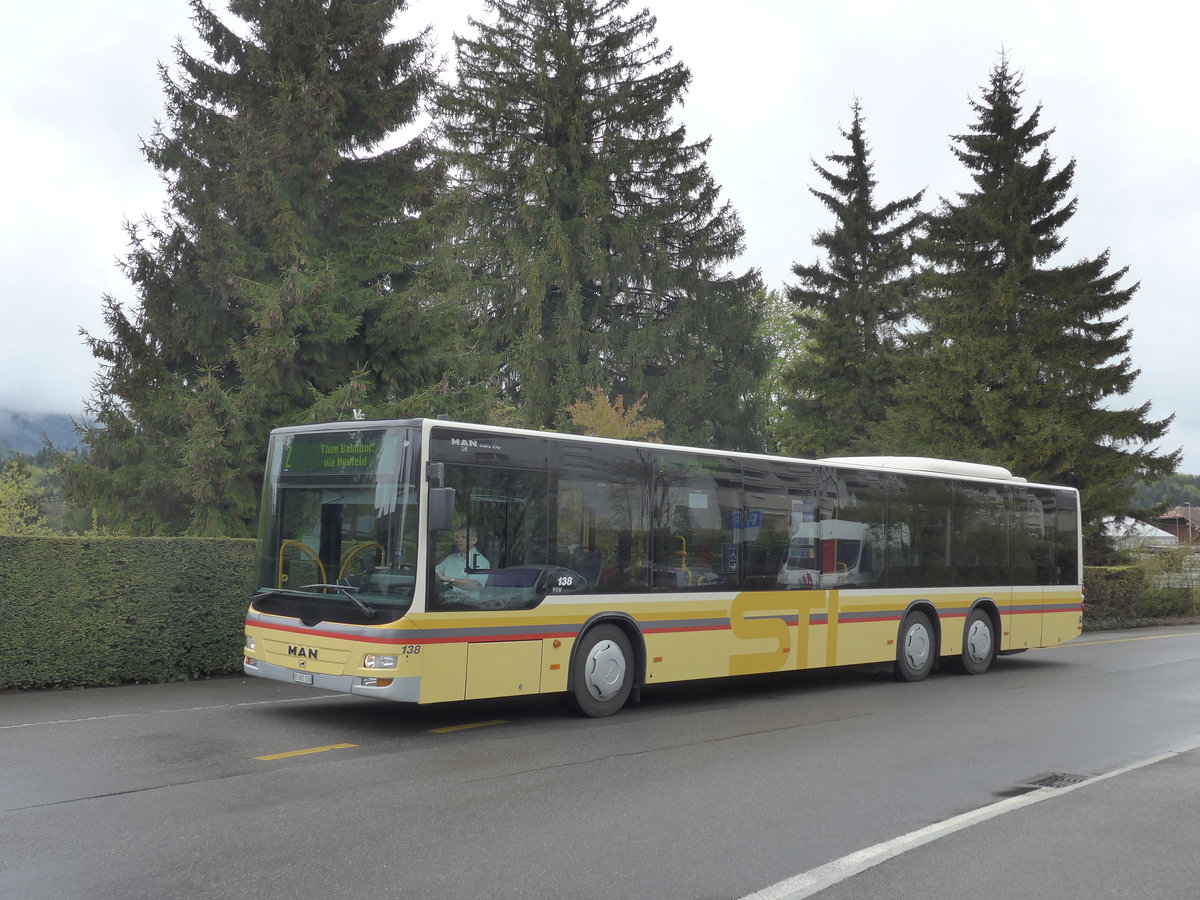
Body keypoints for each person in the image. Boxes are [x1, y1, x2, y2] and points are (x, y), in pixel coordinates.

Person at [436, 527, 490, 598]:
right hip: (443, 599)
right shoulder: (450, 558)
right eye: (457, 537)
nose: (459, 540)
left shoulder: (481, 561)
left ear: (474, 540)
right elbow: (434, 574)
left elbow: (473, 585)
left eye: (463, 537)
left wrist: (448, 579)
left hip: (466, 602)